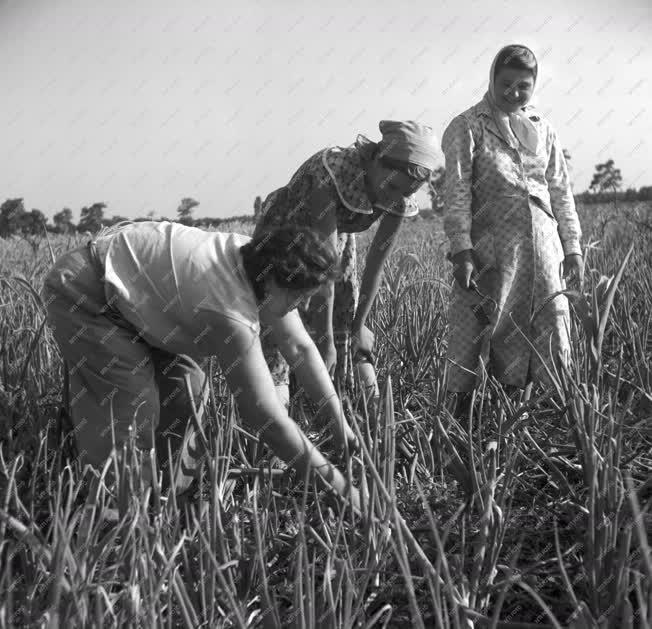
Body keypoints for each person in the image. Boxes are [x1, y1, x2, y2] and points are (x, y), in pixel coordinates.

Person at [42, 220, 360, 507]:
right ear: (275, 281)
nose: (302, 306)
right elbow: (268, 419)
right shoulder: (229, 309)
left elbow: (300, 348)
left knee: (188, 392)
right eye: (299, 297)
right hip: (89, 291)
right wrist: (343, 490)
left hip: (143, 301)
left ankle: (168, 500)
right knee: (133, 406)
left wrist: (339, 425)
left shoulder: (259, 267)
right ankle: (117, 521)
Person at [255, 120, 438, 409]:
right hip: (284, 238)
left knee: (346, 322)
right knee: (281, 325)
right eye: (392, 187)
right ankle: (277, 415)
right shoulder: (331, 172)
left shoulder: (398, 195)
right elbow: (323, 271)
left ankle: (353, 407)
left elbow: (376, 263)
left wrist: (359, 326)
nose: (396, 198)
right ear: (377, 160)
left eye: (406, 192)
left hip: (335, 239)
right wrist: (325, 340)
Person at [441, 44, 584, 404]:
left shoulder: (542, 127)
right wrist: (462, 250)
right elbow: (456, 192)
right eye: (506, 83)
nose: (513, 93)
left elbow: (560, 191)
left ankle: (540, 414)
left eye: (523, 86)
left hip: (542, 247)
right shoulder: (467, 126)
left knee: (550, 323)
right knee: (485, 326)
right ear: (491, 78)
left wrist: (573, 247)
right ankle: (466, 419)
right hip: (492, 249)